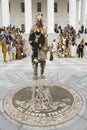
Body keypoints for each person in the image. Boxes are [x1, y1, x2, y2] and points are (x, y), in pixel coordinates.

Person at [29, 13, 48, 80]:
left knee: (43, 62)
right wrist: (32, 46)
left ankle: (42, 74)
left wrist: (46, 47)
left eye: (40, 20)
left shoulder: (44, 29)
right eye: (37, 20)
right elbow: (30, 38)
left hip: (42, 48)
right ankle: (35, 74)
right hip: (35, 48)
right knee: (35, 61)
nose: (38, 21)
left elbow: (46, 39)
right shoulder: (33, 29)